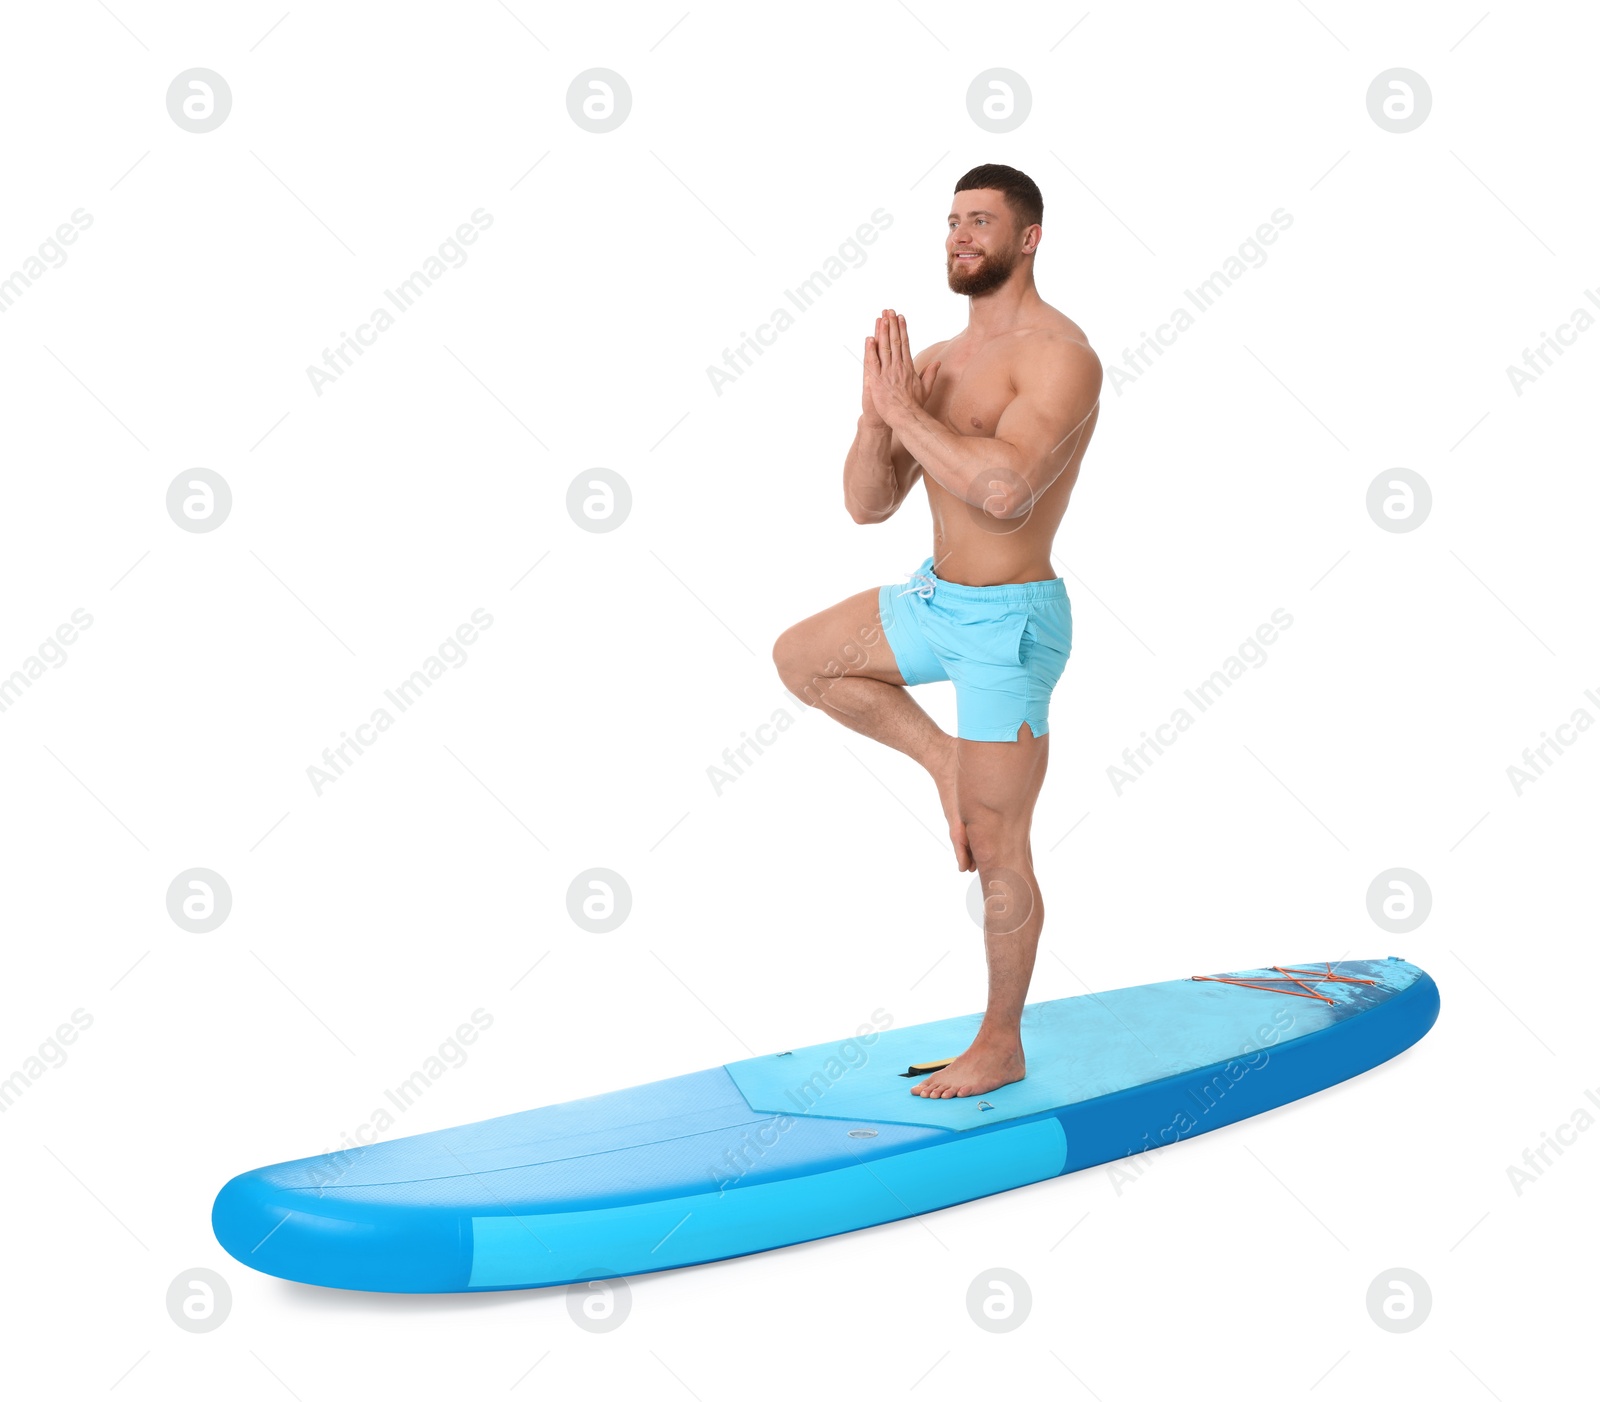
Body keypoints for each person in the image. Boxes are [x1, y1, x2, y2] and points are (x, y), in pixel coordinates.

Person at [771, 163, 1102, 1099]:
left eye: (981, 221)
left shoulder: (1059, 355)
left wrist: (908, 412)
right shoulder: (939, 364)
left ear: (1027, 237)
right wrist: (877, 416)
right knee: (804, 659)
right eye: (952, 220)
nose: (960, 236)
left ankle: (1001, 1042)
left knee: (999, 847)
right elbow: (866, 505)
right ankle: (943, 760)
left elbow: (1005, 489)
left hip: (1011, 626)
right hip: (934, 602)